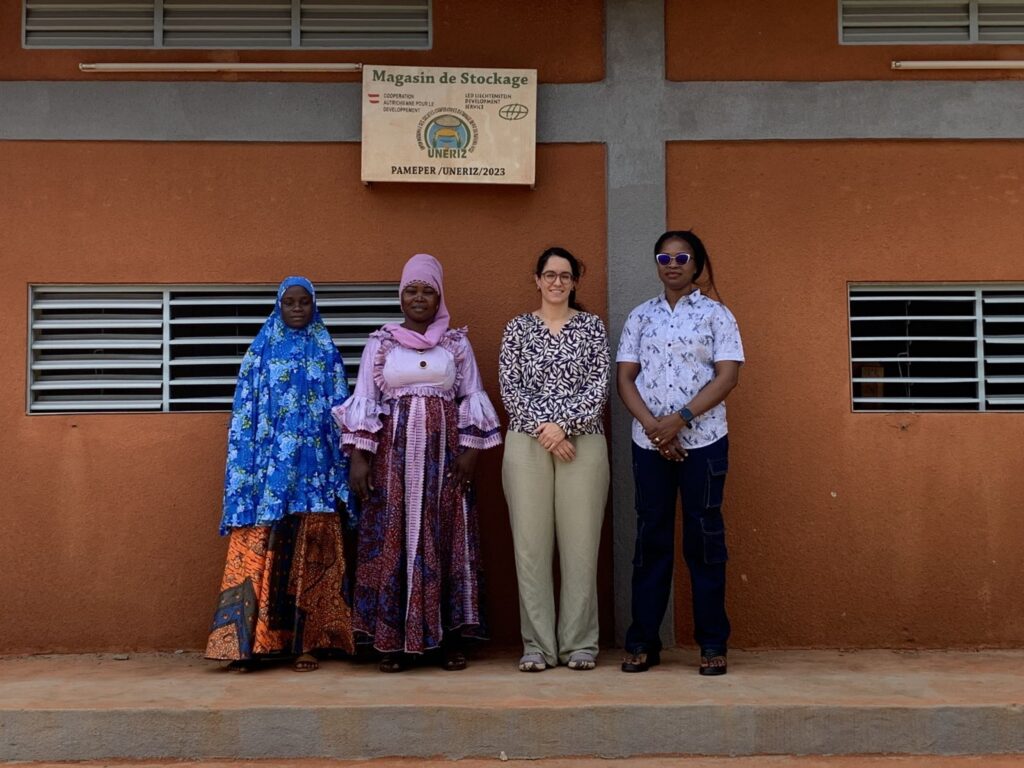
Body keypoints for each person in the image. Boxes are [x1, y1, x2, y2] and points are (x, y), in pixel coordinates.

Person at [334, 253, 502, 672]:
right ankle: (391, 643)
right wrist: (359, 457)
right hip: (392, 461)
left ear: (440, 295)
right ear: (400, 295)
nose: (419, 298)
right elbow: (367, 402)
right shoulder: (381, 343)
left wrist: (470, 454)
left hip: (445, 462)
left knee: (443, 539)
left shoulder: (456, 344)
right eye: (411, 290)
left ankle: (445, 642)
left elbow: (471, 397)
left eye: (428, 290)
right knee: (394, 539)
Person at [206, 276, 355, 672]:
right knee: (263, 549)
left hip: (315, 474)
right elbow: (243, 415)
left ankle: (310, 645)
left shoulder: (325, 351)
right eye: (289, 303)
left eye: (304, 302)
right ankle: (250, 646)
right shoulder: (260, 352)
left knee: (311, 553)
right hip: (268, 478)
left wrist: (341, 465)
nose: (297, 309)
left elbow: (343, 413)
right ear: (278, 306)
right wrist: (245, 474)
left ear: (314, 306)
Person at [616, 230, 744, 675]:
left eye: (682, 257)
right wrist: (655, 428)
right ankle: (643, 641)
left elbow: (727, 376)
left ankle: (712, 643)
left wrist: (680, 420)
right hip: (650, 445)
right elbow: (625, 379)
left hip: (704, 442)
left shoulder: (717, 315)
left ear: (697, 263)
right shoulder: (640, 316)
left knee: (704, 541)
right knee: (651, 541)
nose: (672, 264)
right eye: (664, 257)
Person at [499, 247, 610, 672]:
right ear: (537, 278)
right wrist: (547, 430)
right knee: (530, 546)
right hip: (529, 442)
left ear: (575, 281)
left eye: (565, 275)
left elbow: (598, 385)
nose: (557, 282)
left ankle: (580, 643)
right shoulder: (517, 328)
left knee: (581, 546)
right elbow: (509, 387)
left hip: (582, 442)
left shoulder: (592, 328)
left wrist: (564, 425)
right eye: (550, 274)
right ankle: (538, 646)